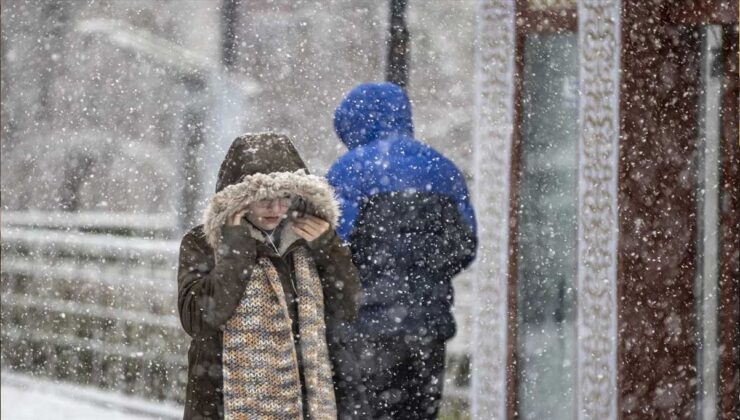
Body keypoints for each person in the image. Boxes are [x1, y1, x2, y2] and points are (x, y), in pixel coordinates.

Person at [177, 133, 362, 419]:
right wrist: (235, 251)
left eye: (285, 197)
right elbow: (198, 319)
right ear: (239, 199)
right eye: (264, 199)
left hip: (303, 405)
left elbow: (347, 307)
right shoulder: (203, 243)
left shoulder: (310, 238)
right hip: (221, 404)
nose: (276, 209)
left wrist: (329, 250)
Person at [327, 82, 478, 419]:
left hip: (362, 330)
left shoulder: (347, 172)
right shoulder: (445, 171)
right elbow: (465, 246)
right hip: (427, 328)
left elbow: (332, 251)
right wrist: (420, 277)